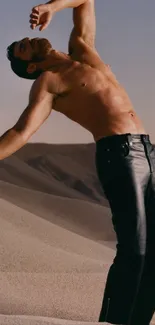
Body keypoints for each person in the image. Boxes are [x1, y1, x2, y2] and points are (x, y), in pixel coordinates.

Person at [3, 0, 155, 324]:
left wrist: (51, 7)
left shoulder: (82, 49)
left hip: (147, 150)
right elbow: (21, 131)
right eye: (24, 48)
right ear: (31, 66)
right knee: (136, 250)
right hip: (120, 155)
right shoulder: (49, 83)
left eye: (26, 40)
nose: (29, 41)